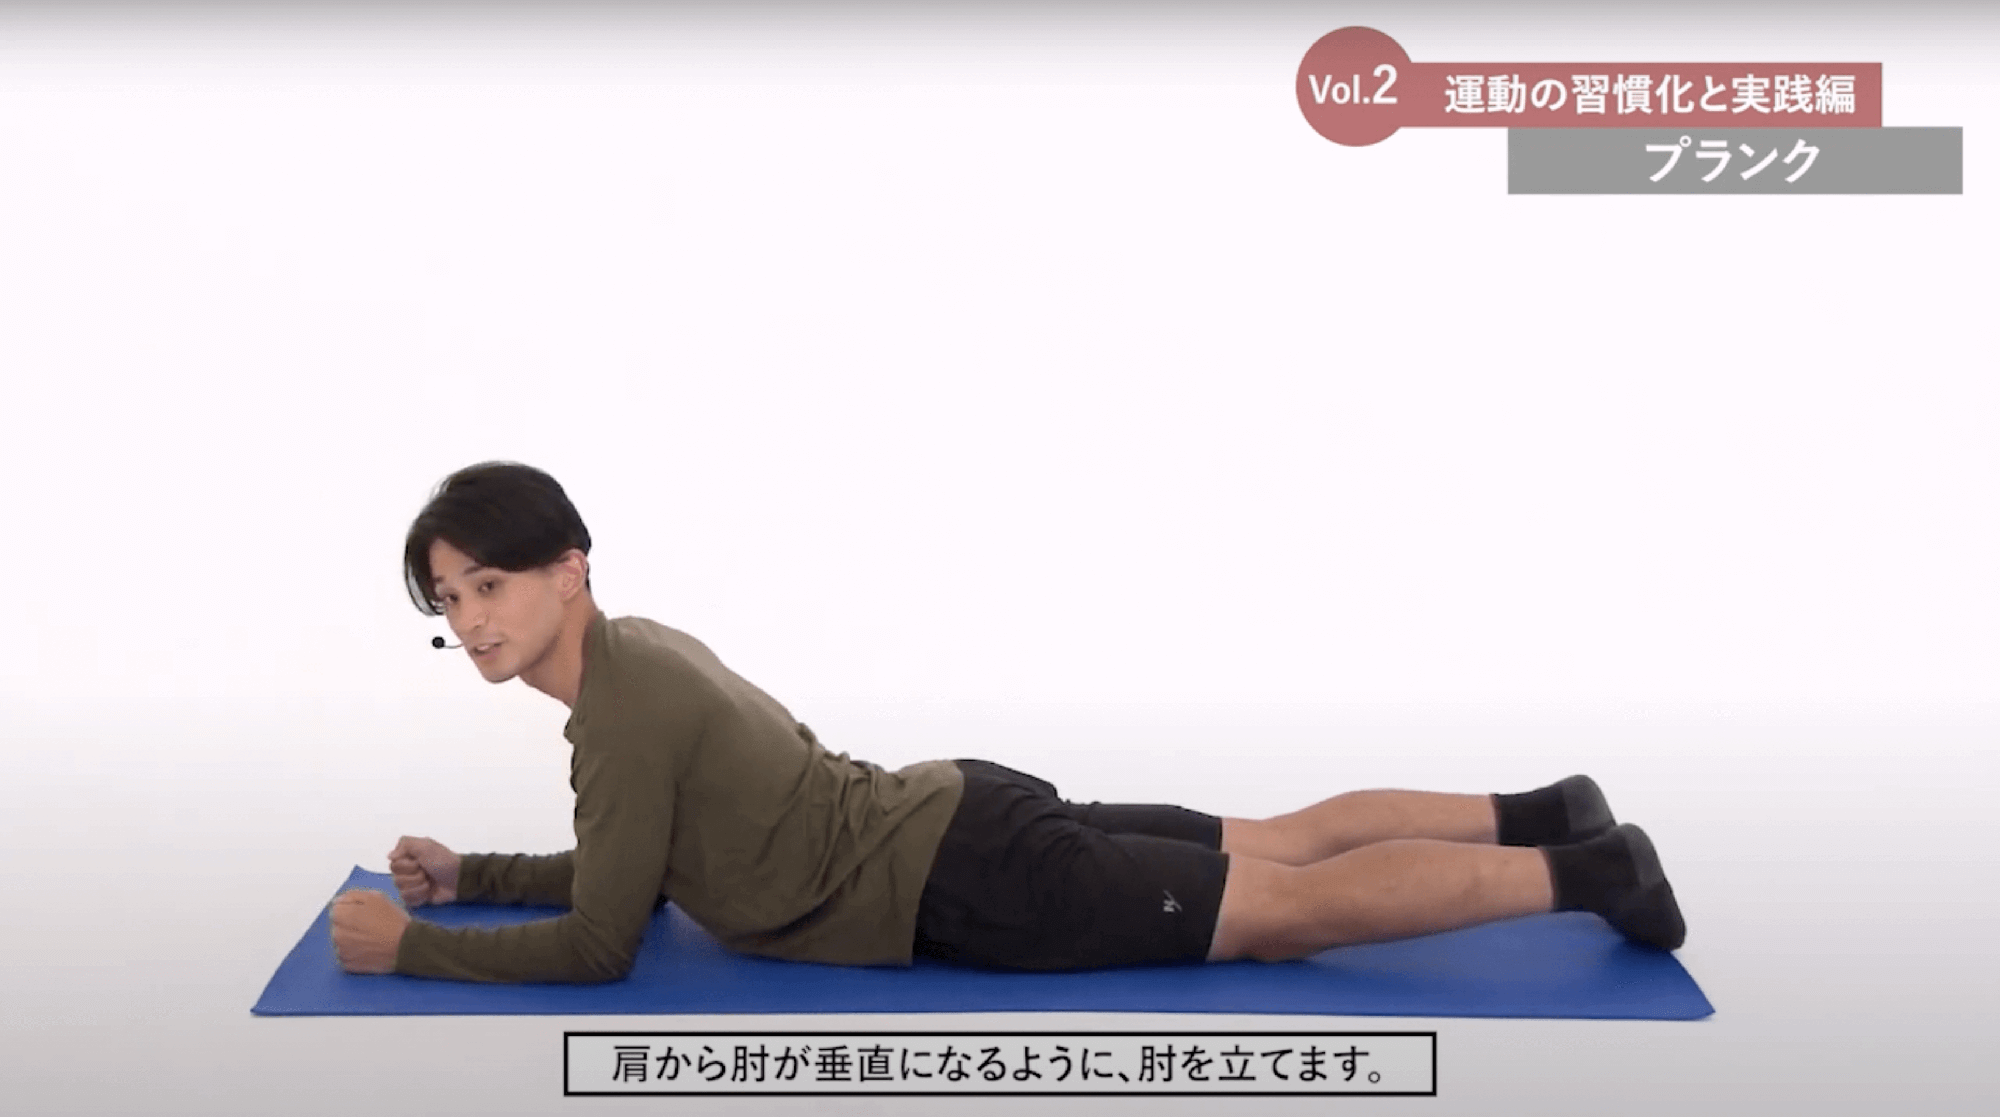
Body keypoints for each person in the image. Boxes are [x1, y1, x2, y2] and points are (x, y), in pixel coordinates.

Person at [329, 461, 1686, 982]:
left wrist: (414, 948)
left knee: (1287, 911)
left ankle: (1593, 872)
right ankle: (1545, 811)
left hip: (968, 879)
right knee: (1272, 839)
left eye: (490, 583)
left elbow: (602, 942)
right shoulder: (639, 657)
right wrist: (476, 875)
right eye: (450, 599)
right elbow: (639, 862)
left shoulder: (622, 714)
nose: (472, 619)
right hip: (960, 811)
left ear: (569, 566)